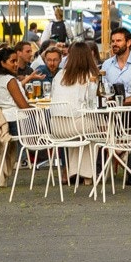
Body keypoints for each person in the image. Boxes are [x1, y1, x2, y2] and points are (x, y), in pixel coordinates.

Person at [47, 42, 101, 184]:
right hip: (75, 125)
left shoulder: (59, 75)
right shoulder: (89, 76)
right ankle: (87, 175)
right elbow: (91, 103)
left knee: (81, 133)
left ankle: (74, 171)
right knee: (95, 131)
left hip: (56, 127)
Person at [0, 45, 33, 133]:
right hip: (17, 120)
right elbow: (23, 106)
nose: (16, 64)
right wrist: (38, 111)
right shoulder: (9, 80)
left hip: (3, 121)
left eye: (17, 61)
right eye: (12, 61)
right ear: (2, 63)